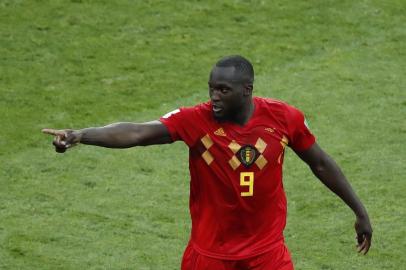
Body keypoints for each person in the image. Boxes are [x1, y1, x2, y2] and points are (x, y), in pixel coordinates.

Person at [43, 55, 372, 270]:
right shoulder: (195, 121)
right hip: (209, 257)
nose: (214, 96)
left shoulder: (283, 118)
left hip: (267, 254)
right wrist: (81, 135)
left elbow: (321, 164)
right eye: (212, 89)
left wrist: (359, 211)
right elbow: (137, 133)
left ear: (247, 90)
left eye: (223, 90)